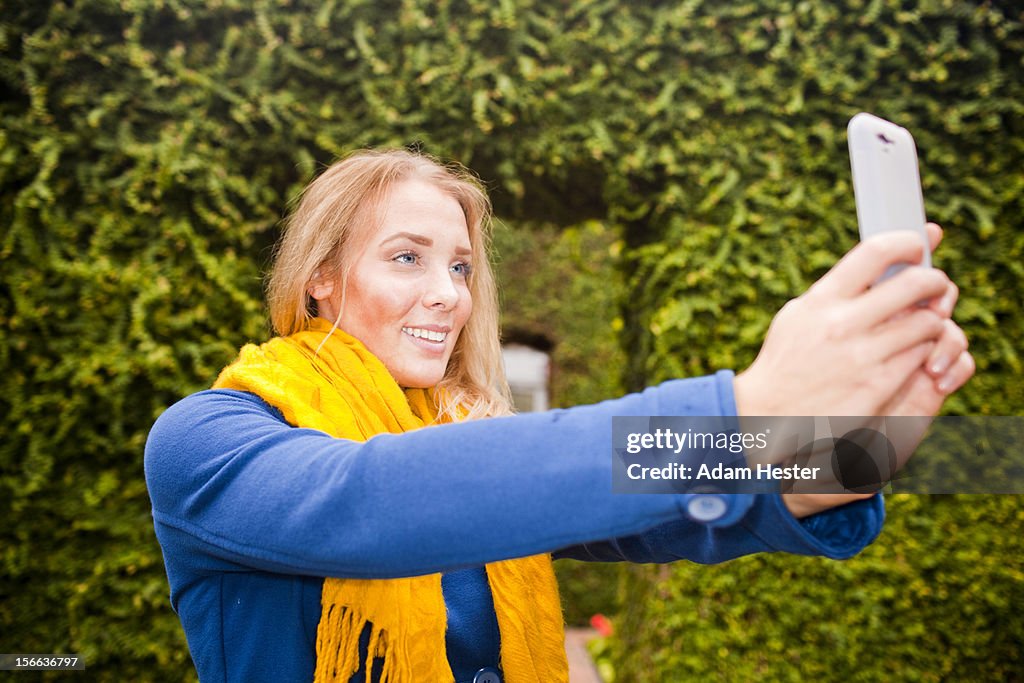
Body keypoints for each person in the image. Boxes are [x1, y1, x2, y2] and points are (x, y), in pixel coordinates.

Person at [144, 149, 973, 683]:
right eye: (408, 257)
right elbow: (368, 499)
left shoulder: (464, 438)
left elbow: (667, 515)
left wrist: (853, 453)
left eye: (462, 266)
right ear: (319, 277)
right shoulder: (208, 441)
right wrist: (742, 409)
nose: (449, 294)